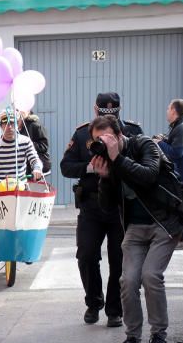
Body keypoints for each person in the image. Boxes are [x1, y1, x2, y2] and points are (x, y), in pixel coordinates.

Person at [90, 114, 182, 343]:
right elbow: (107, 208)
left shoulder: (143, 145)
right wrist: (105, 178)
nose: (103, 144)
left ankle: (159, 336)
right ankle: (133, 338)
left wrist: (117, 158)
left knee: (151, 276)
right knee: (128, 280)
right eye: (97, 140)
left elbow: (149, 175)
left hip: (163, 222)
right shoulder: (109, 161)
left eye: (107, 138)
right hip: (135, 228)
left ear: (119, 135)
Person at [60, 92, 143, 328]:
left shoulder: (133, 133)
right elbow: (65, 166)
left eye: (113, 113)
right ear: (96, 110)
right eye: (105, 113)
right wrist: (89, 168)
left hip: (120, 206)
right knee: (86, 255)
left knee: (119, 260)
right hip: (91, 205)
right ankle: (93, 302)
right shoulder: (83, 133)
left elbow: (141, 168)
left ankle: (114, 310)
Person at [156, 99, 183, 249]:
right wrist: (165, 139)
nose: (166, 111)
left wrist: (159, 143)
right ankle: (181, 239)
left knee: (181, 208)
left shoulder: (181, 128)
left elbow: (176, 152)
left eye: (168, 108)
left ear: (174, 110)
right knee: (181, 206)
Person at [0, 108, 44, 183]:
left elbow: (35, 160)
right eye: (5, 124)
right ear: (1, 126)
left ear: (17, 125)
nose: (9, 127)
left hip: (19, 186)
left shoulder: (26, 141)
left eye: (12, 123)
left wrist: (37, 169)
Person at [18, 110, 51, 175]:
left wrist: (28, 144)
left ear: (28, 112)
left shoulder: (35, 125)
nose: (19, 113)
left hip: (36, 166)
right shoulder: (14, 127)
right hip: (22, 168)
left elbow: (44, 146)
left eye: (22, 111)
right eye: (17, 110)